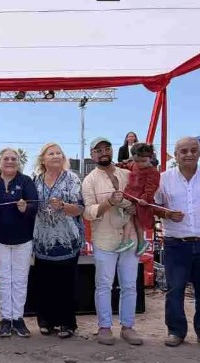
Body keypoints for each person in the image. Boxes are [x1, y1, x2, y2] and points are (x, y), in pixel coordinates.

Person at [153, 137, 200, 352]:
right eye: (183, 151)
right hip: (176, 243)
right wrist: (167, 214)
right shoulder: (163, 179)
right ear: (176, 155)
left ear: (199, 153)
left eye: (194, 150)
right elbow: (154, 207)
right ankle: (176, 331)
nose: (189, 154)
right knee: (175, 290)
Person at [82, 137, 143, 346]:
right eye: (98, 150)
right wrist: (109, 202)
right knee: (103, 285)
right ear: (92, 155)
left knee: (130, 285)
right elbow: (88, 212)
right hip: (104, 239)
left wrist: (136, 207)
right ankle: (104, 326)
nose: (103, 152)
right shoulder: (89, 180)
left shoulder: (127, 174)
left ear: (112, 151)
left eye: (106, 148)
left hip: (130, 238)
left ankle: (128, 327)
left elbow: (140, 200)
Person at [31, 143, 84, 339]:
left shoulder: (72, 179)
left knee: (66, 283)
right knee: (44, 283)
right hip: (43, 241)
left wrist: (62, 205)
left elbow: (80, 209)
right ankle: (46, 320)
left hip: (67, 240)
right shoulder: (35, 180)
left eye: (58, 153)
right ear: (43, 159)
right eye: (51, 153)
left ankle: (67, 323)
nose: (55, 156)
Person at [0, 148, 38, 338]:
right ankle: (5, 319)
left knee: (20, 280)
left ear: (18, 162)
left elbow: (35, 206)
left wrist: (26, 208)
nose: (10, 161)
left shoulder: (26, 181)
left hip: (23, 238)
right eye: (6, 158)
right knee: (3, 279)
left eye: (13, 159)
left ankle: (18, 318)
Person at [115, 142, 160, 253]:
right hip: (130, 196)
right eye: (137, 161)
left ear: (151, 158)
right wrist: (119, 165)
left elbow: (151, 187)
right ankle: (137, 241)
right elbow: (127, 165)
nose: (140, 164)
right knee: (130, 218)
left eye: (143, 161)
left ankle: (132, 241)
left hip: (140, 200)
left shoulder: (153, 172)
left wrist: (145, 198)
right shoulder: (134, 165)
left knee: (136, 221)